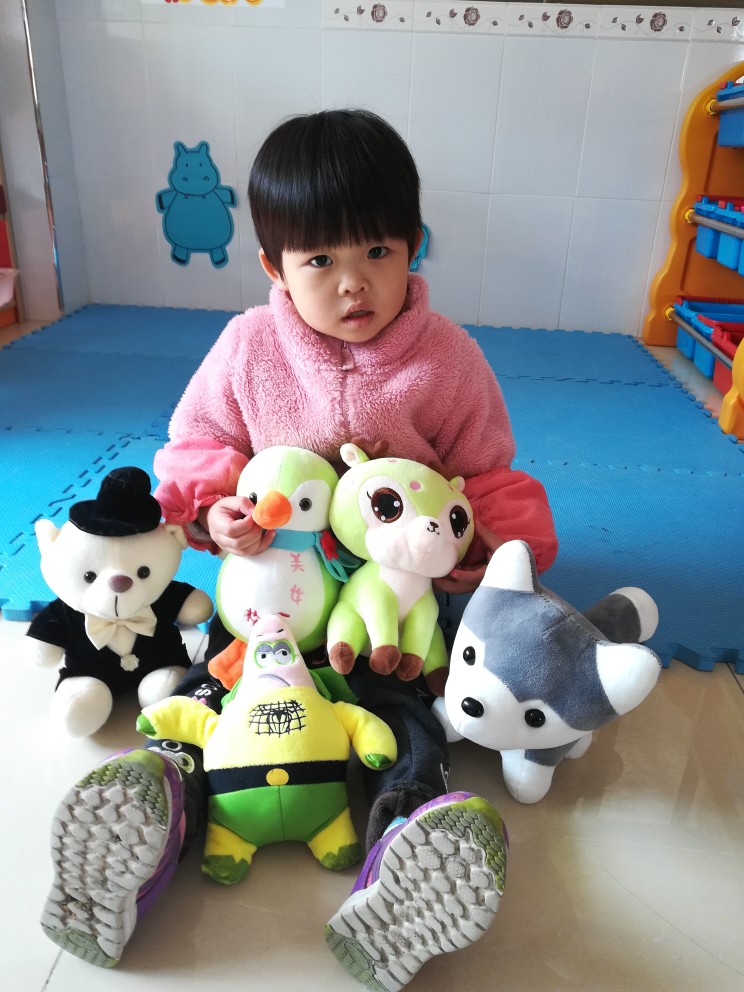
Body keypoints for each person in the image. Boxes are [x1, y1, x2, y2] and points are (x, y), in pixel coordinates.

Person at [41, 109, 557, 988]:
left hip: (389, 608)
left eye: (378, 252)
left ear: (414, 245)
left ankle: (407, 838)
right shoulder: (249, 348)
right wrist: (218, 514)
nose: (354, 284)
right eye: (320, 260)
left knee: (405, 710)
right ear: (274, 265)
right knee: (215, 694)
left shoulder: (447, 359)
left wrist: (488, 557)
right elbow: (199, 446)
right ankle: (157, 802)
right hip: (269, 604)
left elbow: (484, 475)